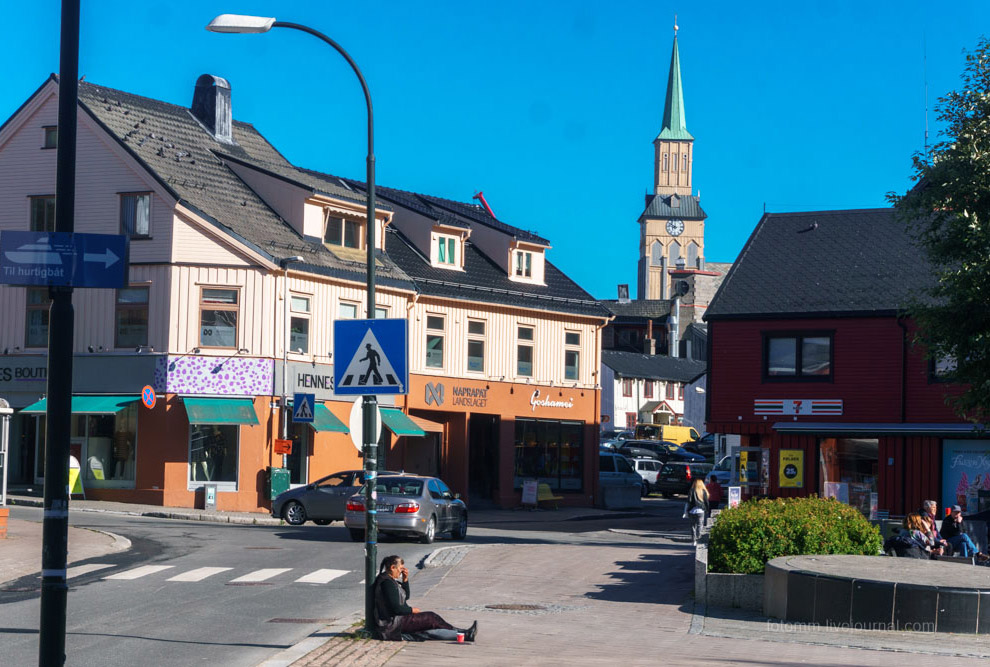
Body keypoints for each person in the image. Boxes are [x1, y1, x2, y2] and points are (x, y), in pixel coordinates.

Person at [372, 555, 477, 642]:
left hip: (398, 620)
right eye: (400, 569)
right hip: (393, 623)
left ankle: (464, 633)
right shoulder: (387, 583)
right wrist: (412, 610)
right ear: (392, 568)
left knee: (431, 627)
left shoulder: (390, 580)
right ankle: (464, 633)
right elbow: (396, 609)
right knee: (430, 618)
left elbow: (405, 596)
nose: (401, 571)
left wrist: (405, 580)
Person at [686, 478, 709, 545]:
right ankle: (699, 539)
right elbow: (706, 502)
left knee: (693, 526)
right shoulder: (703, 491)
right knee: (700, 525)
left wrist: (687, 510)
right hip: (701, 511)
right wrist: (707, 510)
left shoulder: (691, 490)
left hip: (692, 511)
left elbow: (689, 501)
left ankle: (694, 540)